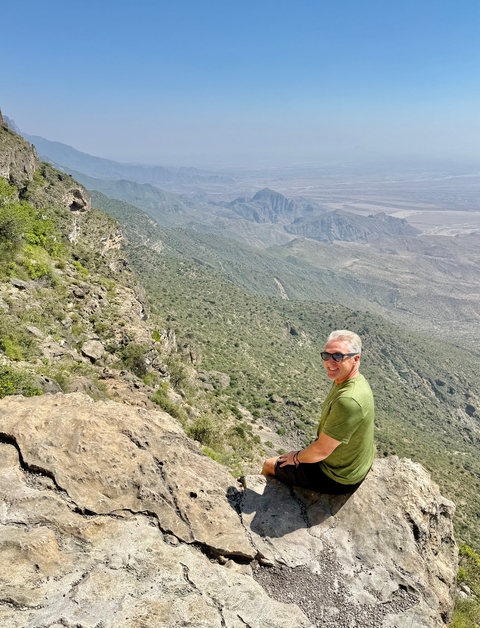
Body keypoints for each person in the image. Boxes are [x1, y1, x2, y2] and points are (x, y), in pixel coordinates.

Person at [261, 330, 374, 494]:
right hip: (353, 463)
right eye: (326, 355)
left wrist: (296, 457)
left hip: (337, 476)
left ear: (356, 358)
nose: (330, 362)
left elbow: (321, 451)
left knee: (269, 464)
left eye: (338, 356)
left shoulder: (348, 400)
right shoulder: (351, 381)